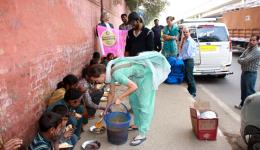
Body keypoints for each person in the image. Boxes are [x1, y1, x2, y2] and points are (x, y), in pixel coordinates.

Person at [86, 51, 170, 146]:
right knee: (133, 101)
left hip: (147, 75)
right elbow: (111, 93)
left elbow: (133, 87)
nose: (97, 83)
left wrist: (120, 98)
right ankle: (138, 124)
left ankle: (143, 134)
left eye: (96, 80)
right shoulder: (109, 73)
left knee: (144, 105)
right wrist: (106, 109)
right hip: (136, 76)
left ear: (101, 75)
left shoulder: (116, 73)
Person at [235, 35, 260, 109]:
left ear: (258, 41)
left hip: (251, 73)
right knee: (244, 90)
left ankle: (250, 108)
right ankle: (242, 105)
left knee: (250, 92)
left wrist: (241, 60)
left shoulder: (257, 51)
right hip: (244, 72)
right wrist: (242, 60)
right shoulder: (249, 48)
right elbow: (239, 58)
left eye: (254, 40)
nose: (252, 42)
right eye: (251, 40)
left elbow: (245, 60)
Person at [179, 27, 197, 98]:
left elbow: (189, 54)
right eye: (184, 32)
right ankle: (190, 90)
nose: (185, 34)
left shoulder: (190, 42)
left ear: (189, 32)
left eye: (187, 32)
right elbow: (183, 51)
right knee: (186, 76)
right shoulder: (185, 40)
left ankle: (193, 92)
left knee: (190, 77)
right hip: (185, 60)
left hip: (189, 60)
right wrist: (180, 57)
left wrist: (181, 58)